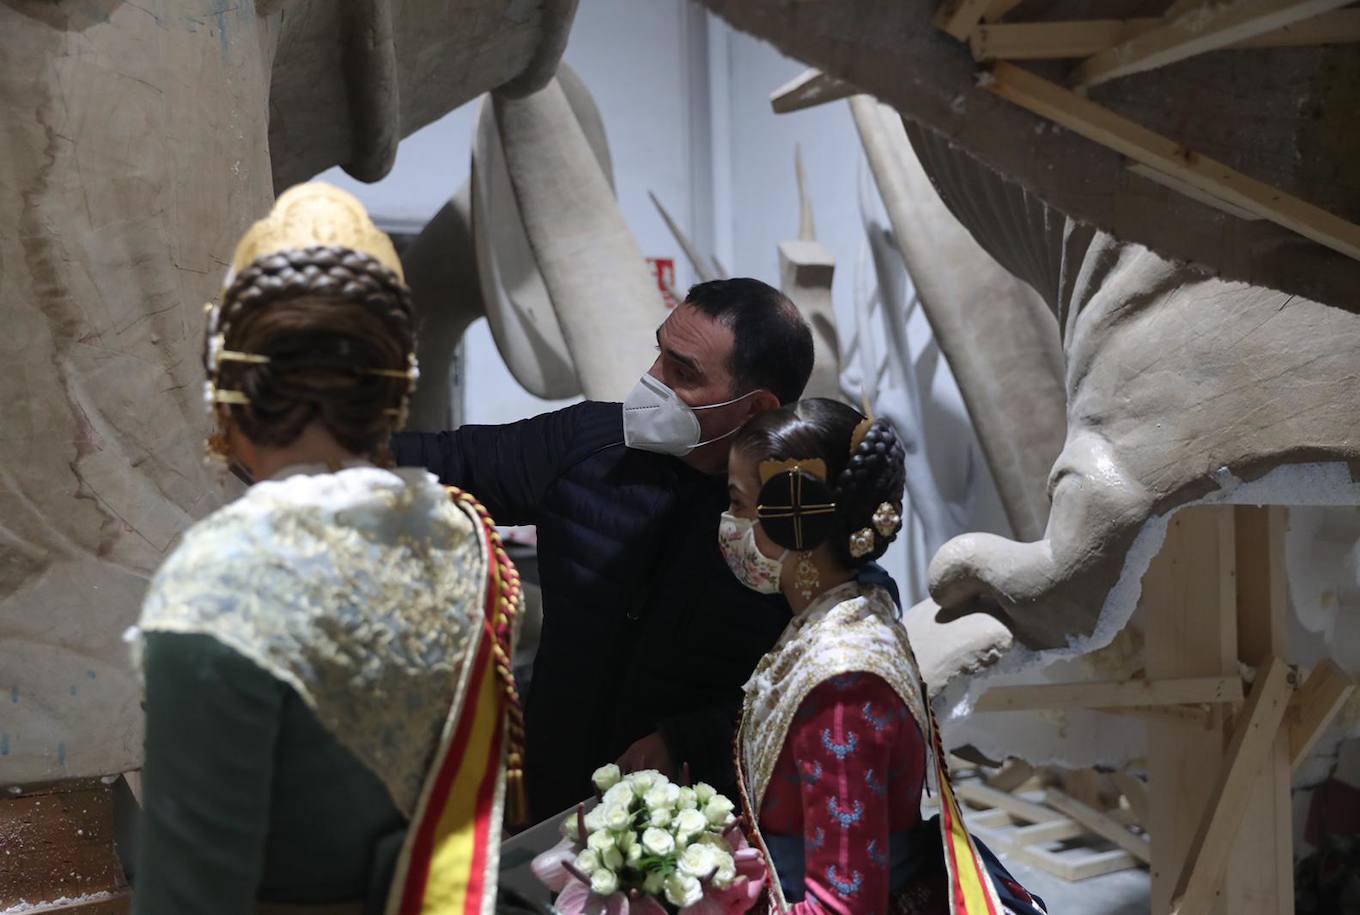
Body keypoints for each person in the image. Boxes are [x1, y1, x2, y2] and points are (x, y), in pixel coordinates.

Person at [130, 183, 525, 915]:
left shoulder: (220, 576)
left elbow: (190, 896)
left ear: (229, 378)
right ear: (397, 381)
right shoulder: (464, 536)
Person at [394, 278, 868, 821]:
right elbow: (445, 465)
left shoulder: (787, 515)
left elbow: (820, 683)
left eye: (683, 372)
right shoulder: (590, 445)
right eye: (660, 353)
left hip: (688, 826)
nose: (652, 380)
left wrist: (690, 739)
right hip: (543, 789)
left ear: (755, 407)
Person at [726, 399, 1045, 914]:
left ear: (792, 520)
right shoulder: (857, 604)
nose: (730, 523)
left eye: (739, 503)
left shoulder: (840, 683)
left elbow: (843, 906)